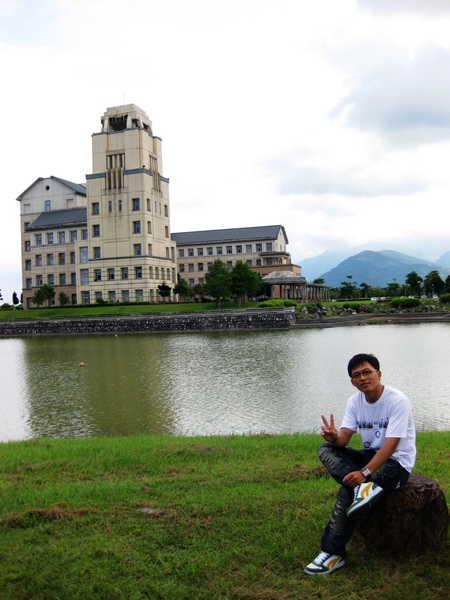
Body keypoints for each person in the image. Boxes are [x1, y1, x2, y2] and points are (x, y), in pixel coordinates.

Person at [304, 353, 416, 576]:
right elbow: (345, 438)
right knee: (325, 449)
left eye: (367, 372)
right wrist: (334, 438)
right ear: (352, 382)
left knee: (348, 486)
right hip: (370, 456)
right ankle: (363, 490)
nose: (363, 378)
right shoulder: (355, 401)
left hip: (397, 464)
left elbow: (392, 444)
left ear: (378, 373)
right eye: (357, 375)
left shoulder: (397, 400)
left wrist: (364, 473)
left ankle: (332, 553)